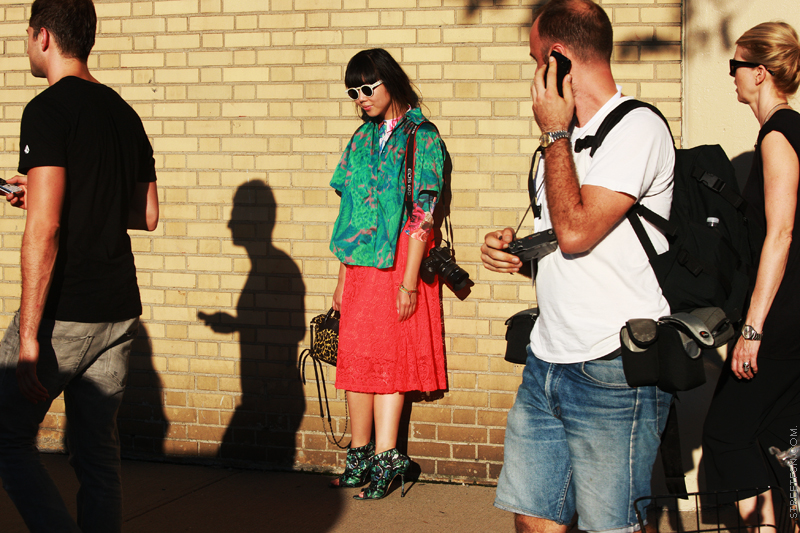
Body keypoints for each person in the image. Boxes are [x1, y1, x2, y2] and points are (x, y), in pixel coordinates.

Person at [480, 0, 675, 531]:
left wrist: (554, 132)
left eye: (535, 60)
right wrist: (519, 255)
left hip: (612, 367)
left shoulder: (637, 128)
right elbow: (572, 250)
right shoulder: (560, 144)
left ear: (559, 58)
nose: (533, 75)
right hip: (546, 360)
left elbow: (576, 230)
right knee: (534, 521)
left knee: (611, 526)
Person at [0, 0, 159, 531]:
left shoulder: (47, 110)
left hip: (65, 312)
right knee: (97, 455)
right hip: (118, 310)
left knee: (6, 439)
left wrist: (28, 338)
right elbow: (146, 214)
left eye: (27, 35)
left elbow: (43, 231)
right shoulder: (123, 113)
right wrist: (48, 193)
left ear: (43, 36)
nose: (27, 45)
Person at [327, 48, 446, 500]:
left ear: (390, 82)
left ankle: (386, 458)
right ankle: (358, 456)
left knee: (389, 362)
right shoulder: (361, 138)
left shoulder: (422, 136)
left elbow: (423, 213)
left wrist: (409, 282)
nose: (361, 98)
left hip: (399, 263)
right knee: (355, 361)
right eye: (352, 92)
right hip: (359, 267)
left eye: (367, 88)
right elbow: (349, 211)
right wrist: (342, 278)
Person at [702, 22, 800, 529]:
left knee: (727, 434)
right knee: (784, 437)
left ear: (759, 72)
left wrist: (752, 329)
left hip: (779, 318)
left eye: (735, 65)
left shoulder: (778, 136)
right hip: (794, 315)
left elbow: (780, 234)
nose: (731, 76)